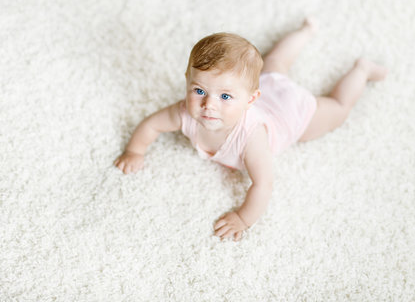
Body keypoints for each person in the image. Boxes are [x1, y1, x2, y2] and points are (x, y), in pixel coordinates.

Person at [114, 18, 388, 241]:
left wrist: (243, 218)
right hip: (267, 87)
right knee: (275, 65)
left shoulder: (252, 137)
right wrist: (134, 151)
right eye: (199, 90)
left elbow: (263, 184)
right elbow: (151, 125)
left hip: (291, 113)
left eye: (224, 97)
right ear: (187, 82)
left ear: (250, 100)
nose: (209, 105)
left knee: (337, 108)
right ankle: (305, 31)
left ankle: (362, 71)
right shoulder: (184, 111)